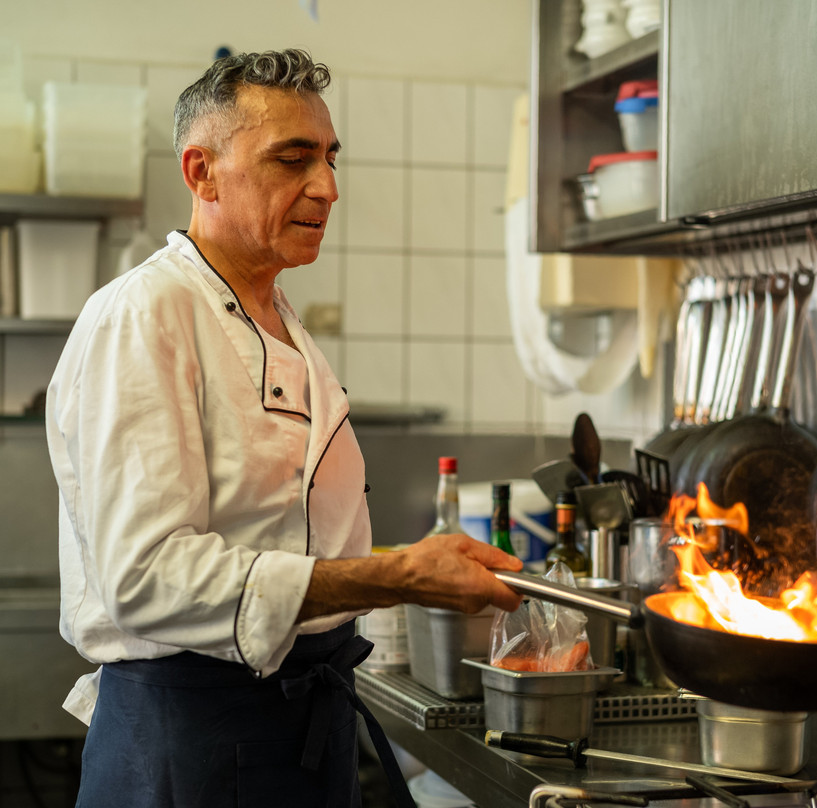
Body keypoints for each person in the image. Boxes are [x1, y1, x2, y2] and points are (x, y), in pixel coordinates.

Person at [45, 48, 523, 808]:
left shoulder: (273, 318)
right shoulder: (145, 314)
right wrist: (397, 577)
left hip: (295, 724)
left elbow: (283, 531)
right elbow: (147, 578)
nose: (328, 187)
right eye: (293, 159)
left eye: (331, 159)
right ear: (201, 172)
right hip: (195, 744)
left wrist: (410, 572)